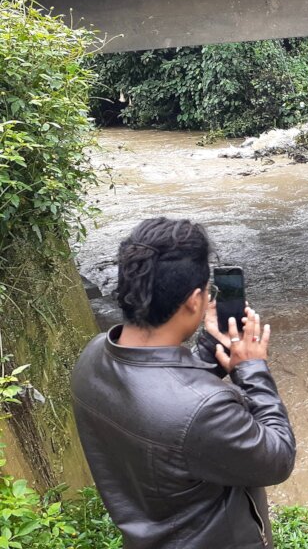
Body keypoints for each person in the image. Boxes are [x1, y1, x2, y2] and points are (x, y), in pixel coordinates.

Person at [71, 217, 295, 548]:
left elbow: (166, 398)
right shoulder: (204, 410)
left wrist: (210, 346)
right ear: (193, 300)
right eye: (208, 292)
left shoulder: (92, 357)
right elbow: (278, 457)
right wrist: (252, 368)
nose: (208, 299)